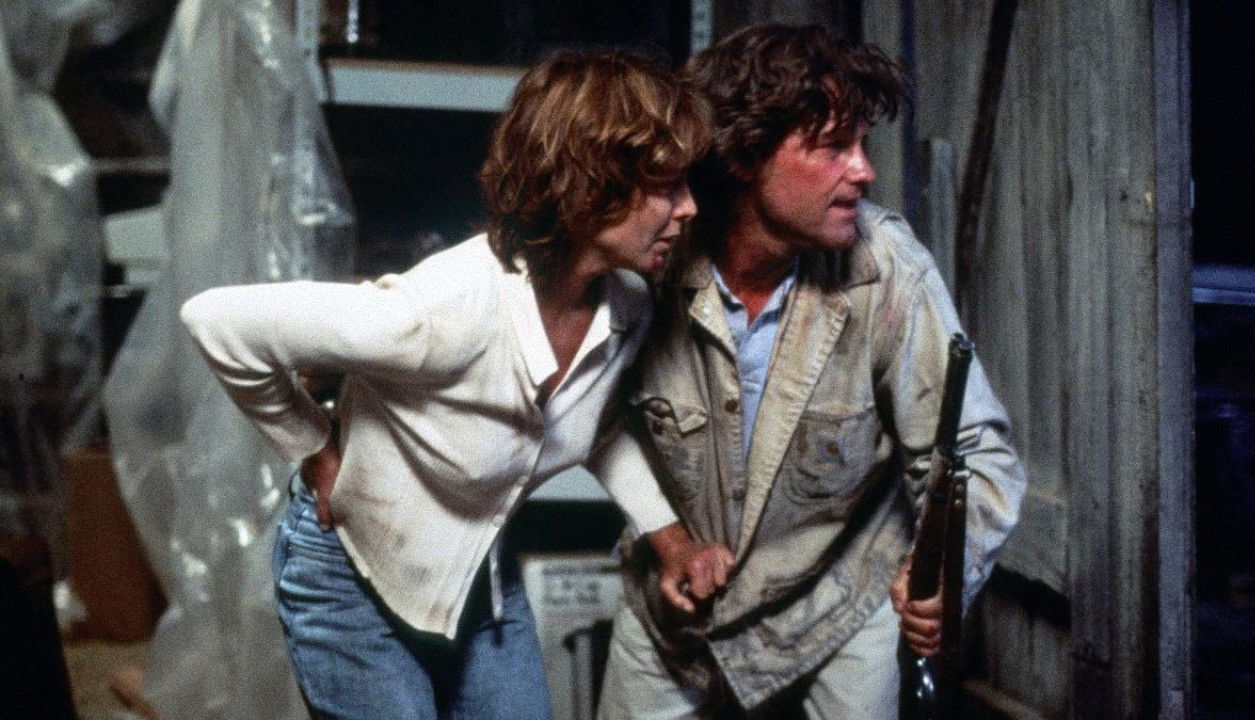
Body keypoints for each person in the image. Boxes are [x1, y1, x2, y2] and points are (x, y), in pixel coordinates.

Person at [181, 50, 725, 720]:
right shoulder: (443, 312)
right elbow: (217, 321)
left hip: (478, 579)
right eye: (667, 186)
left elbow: (597, 430)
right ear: (591, 187)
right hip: (350, 577)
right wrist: (312, 444)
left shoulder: (626, 307)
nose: (689, 208)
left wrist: (672, 543)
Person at [596, 24, 1027, 719]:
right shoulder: (653, 255)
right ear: (745, 155)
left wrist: (949, 569)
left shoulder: (886, 267)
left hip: (839, 606)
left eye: (862, 144)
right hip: (674, 619)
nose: (864, 170)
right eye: (833, 148)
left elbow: (975, 451)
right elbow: (590, 419)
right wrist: (667, 540)